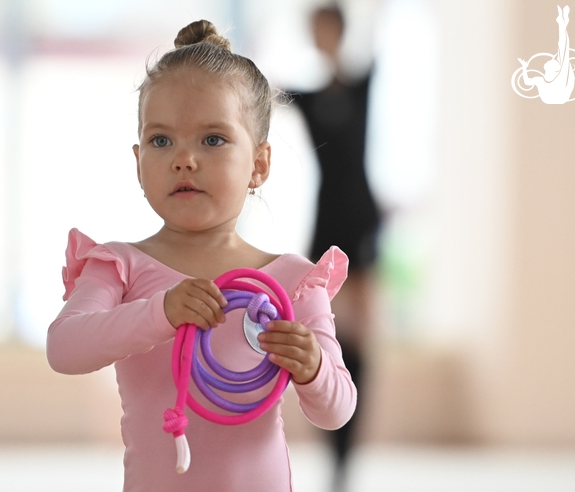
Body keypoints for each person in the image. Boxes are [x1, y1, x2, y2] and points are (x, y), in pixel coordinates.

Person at [46, 20, 357, 492]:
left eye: (213, 139)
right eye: (161, 140)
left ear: (259, 164)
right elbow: (64, 348)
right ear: (137, 162)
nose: (184, 159)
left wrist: (312, 366)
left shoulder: (292, 281)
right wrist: (161, 311)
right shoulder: (118, 266)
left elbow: (336, 411)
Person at [288, 5, 380, 491]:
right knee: (321, 334)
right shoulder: (307, 97)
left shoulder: (365, 83)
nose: (321, 37)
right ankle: (331, 441)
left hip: (361, 219)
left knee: (362, 338)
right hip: (324, 224)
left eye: (328, 28)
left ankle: (348, 456)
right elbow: (261, 94)